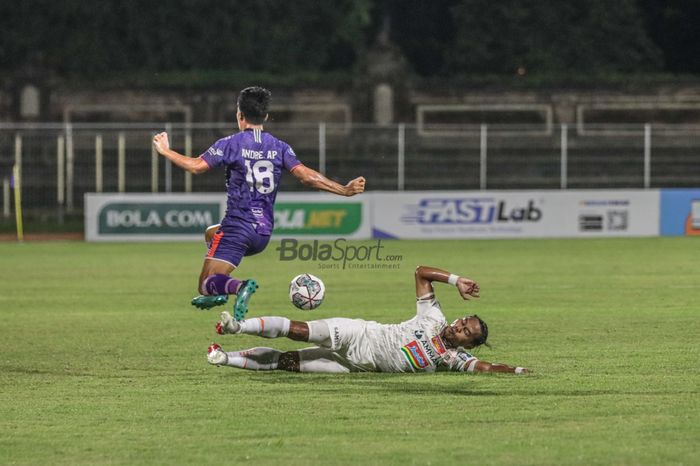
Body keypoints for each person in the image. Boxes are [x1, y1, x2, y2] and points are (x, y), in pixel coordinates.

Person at [152, 86, 366, 320]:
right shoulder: (279, 146)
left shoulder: (230, 143)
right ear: (265, 116)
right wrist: (344, 190)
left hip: (237, 228)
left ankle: (236, 287)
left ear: (239, 114)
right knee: (211, 234)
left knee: (204, 284)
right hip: (262, 233)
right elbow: (306, 176)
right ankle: (220, 289)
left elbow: (196, 166)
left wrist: (166, 151)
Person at [207, 265, 530, 374]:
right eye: (463, 321)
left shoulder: (454, 359)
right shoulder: (433, 316)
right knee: (300, 331)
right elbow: (421, 273)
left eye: (466, 332)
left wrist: (514, 370)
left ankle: (225, 359)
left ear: (467, 344)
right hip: (359, 334)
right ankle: (239, 326)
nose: (459, 326)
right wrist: (456, 279)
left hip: (357, 366)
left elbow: (486, 368)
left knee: (288, 363)